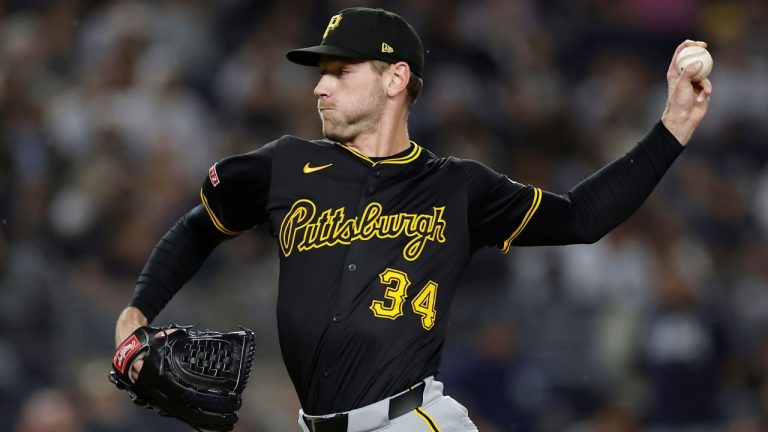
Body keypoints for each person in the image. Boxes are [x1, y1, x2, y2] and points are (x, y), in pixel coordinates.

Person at [114, 7, 712, 432]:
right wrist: (138, 310)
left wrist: (672, 129)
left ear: (395, 78)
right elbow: (199, 227)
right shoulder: (284, 166)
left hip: (410, 421)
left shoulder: (457, 187)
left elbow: (582, 217)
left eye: (341, 71)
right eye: (320, 73)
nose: (320, 87)